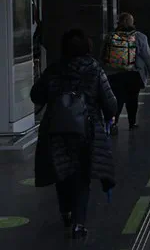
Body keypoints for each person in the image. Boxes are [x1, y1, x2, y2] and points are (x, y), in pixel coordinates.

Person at [31, 29, 117, 239]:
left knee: (62, 170)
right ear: (88, 47)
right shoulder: (94, 69)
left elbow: (36, 95)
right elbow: (110, 103)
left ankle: (65, 211)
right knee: (81, 176)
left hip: (55, 129)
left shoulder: (54, 69)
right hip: (86, 130)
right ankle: (79, 224)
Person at [103, 13, 150, 133]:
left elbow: (103, 55)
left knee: (117, 98)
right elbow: (147, 56)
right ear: (132, 23)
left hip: (114, 73)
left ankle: (113, 123)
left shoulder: (110, 36)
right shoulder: (140, 37)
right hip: (133, 73)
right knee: (133, 98)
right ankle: (132, 122)